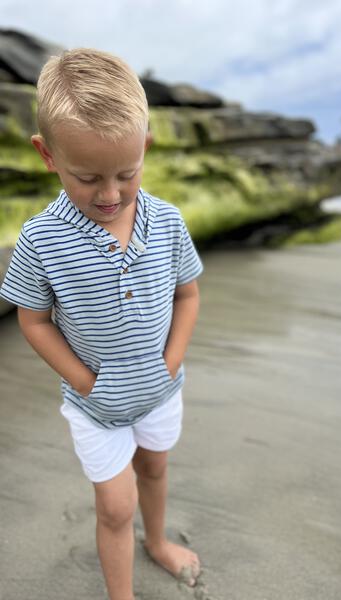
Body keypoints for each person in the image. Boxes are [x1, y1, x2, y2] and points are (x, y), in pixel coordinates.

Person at [0, 48, 204, 600]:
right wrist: (88, 384)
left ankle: (158, 541)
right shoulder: (40, 240)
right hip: (96, 401)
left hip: (161, 387)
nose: (110, 195)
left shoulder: (166, 220)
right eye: (87, 177)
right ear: (47, 155)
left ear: (145, 147)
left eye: (127, 174)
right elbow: (33, 318)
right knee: (116, 506)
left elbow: (187, 293)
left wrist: (171, 361)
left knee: (156, 470)